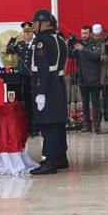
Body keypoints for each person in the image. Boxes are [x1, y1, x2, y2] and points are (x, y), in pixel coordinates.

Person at [29, 9, 69, 175]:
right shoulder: (60, 39)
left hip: (47, 85)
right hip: (58, 84)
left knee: (49, 124)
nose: (32, 27)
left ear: (43, 23)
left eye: (34, 23)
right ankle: (60, 156)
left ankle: (50, 161)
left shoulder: (42, 41)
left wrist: (40, 91)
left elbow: (43, 68)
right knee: (58, 123)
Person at [73, 25, 104, 133]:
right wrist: (72, 46)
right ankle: (87, 124)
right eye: (82, 33)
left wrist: (83, 49)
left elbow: (96, 56)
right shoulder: (79, 43)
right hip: (82, 77)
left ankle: (97, 124)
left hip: (94, 77)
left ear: (90, 34)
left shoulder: (96, 43)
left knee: (95, 103)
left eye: (86, 33)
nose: (84, 36)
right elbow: (72, 56)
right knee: (85, 103)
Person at [6, 22, 36, 131]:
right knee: (26, 101)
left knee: (35, 102)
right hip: (24, 77)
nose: (27, 34)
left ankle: (35, 126)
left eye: (29, 32)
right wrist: (13, 39)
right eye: (25, 32)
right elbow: (8, 50)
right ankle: (28, 126)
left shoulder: (37, 44)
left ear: (33, 32)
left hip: (34, 76)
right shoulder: (21, 44)